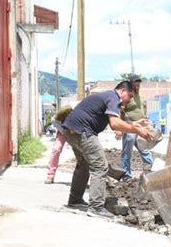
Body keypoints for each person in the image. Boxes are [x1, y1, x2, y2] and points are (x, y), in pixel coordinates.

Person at [62, 81, 151, 218]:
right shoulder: (113, 98)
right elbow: (115, 124)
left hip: (71, 130)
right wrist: (137, 131)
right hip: (84, 131)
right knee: (100, 167)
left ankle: (75, 200)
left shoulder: (108, 97)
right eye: (129, 95)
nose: (130, 100)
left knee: (84, 166)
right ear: (122, 91)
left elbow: (114, 123)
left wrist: (134, 125)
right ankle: (96, 207)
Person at [119, 74, 153, 180]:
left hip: (140, 127)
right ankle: (126, 177)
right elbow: (119, 111)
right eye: (136, 85)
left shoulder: (138, 95)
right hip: (129, 127)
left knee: (145, 150)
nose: (137, 87)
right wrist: (120, 129)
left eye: (139, 85)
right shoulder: (127, 95)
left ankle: (149, 172)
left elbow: (141, 108)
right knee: (126, 154)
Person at [44, 103, 75, 184]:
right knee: (56, 149)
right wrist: (64, 131)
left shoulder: (78, 113)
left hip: (75, 132)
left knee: (81, 152)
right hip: (63, 131)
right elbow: (54, 121)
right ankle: (50, 174)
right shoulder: (63, 112)